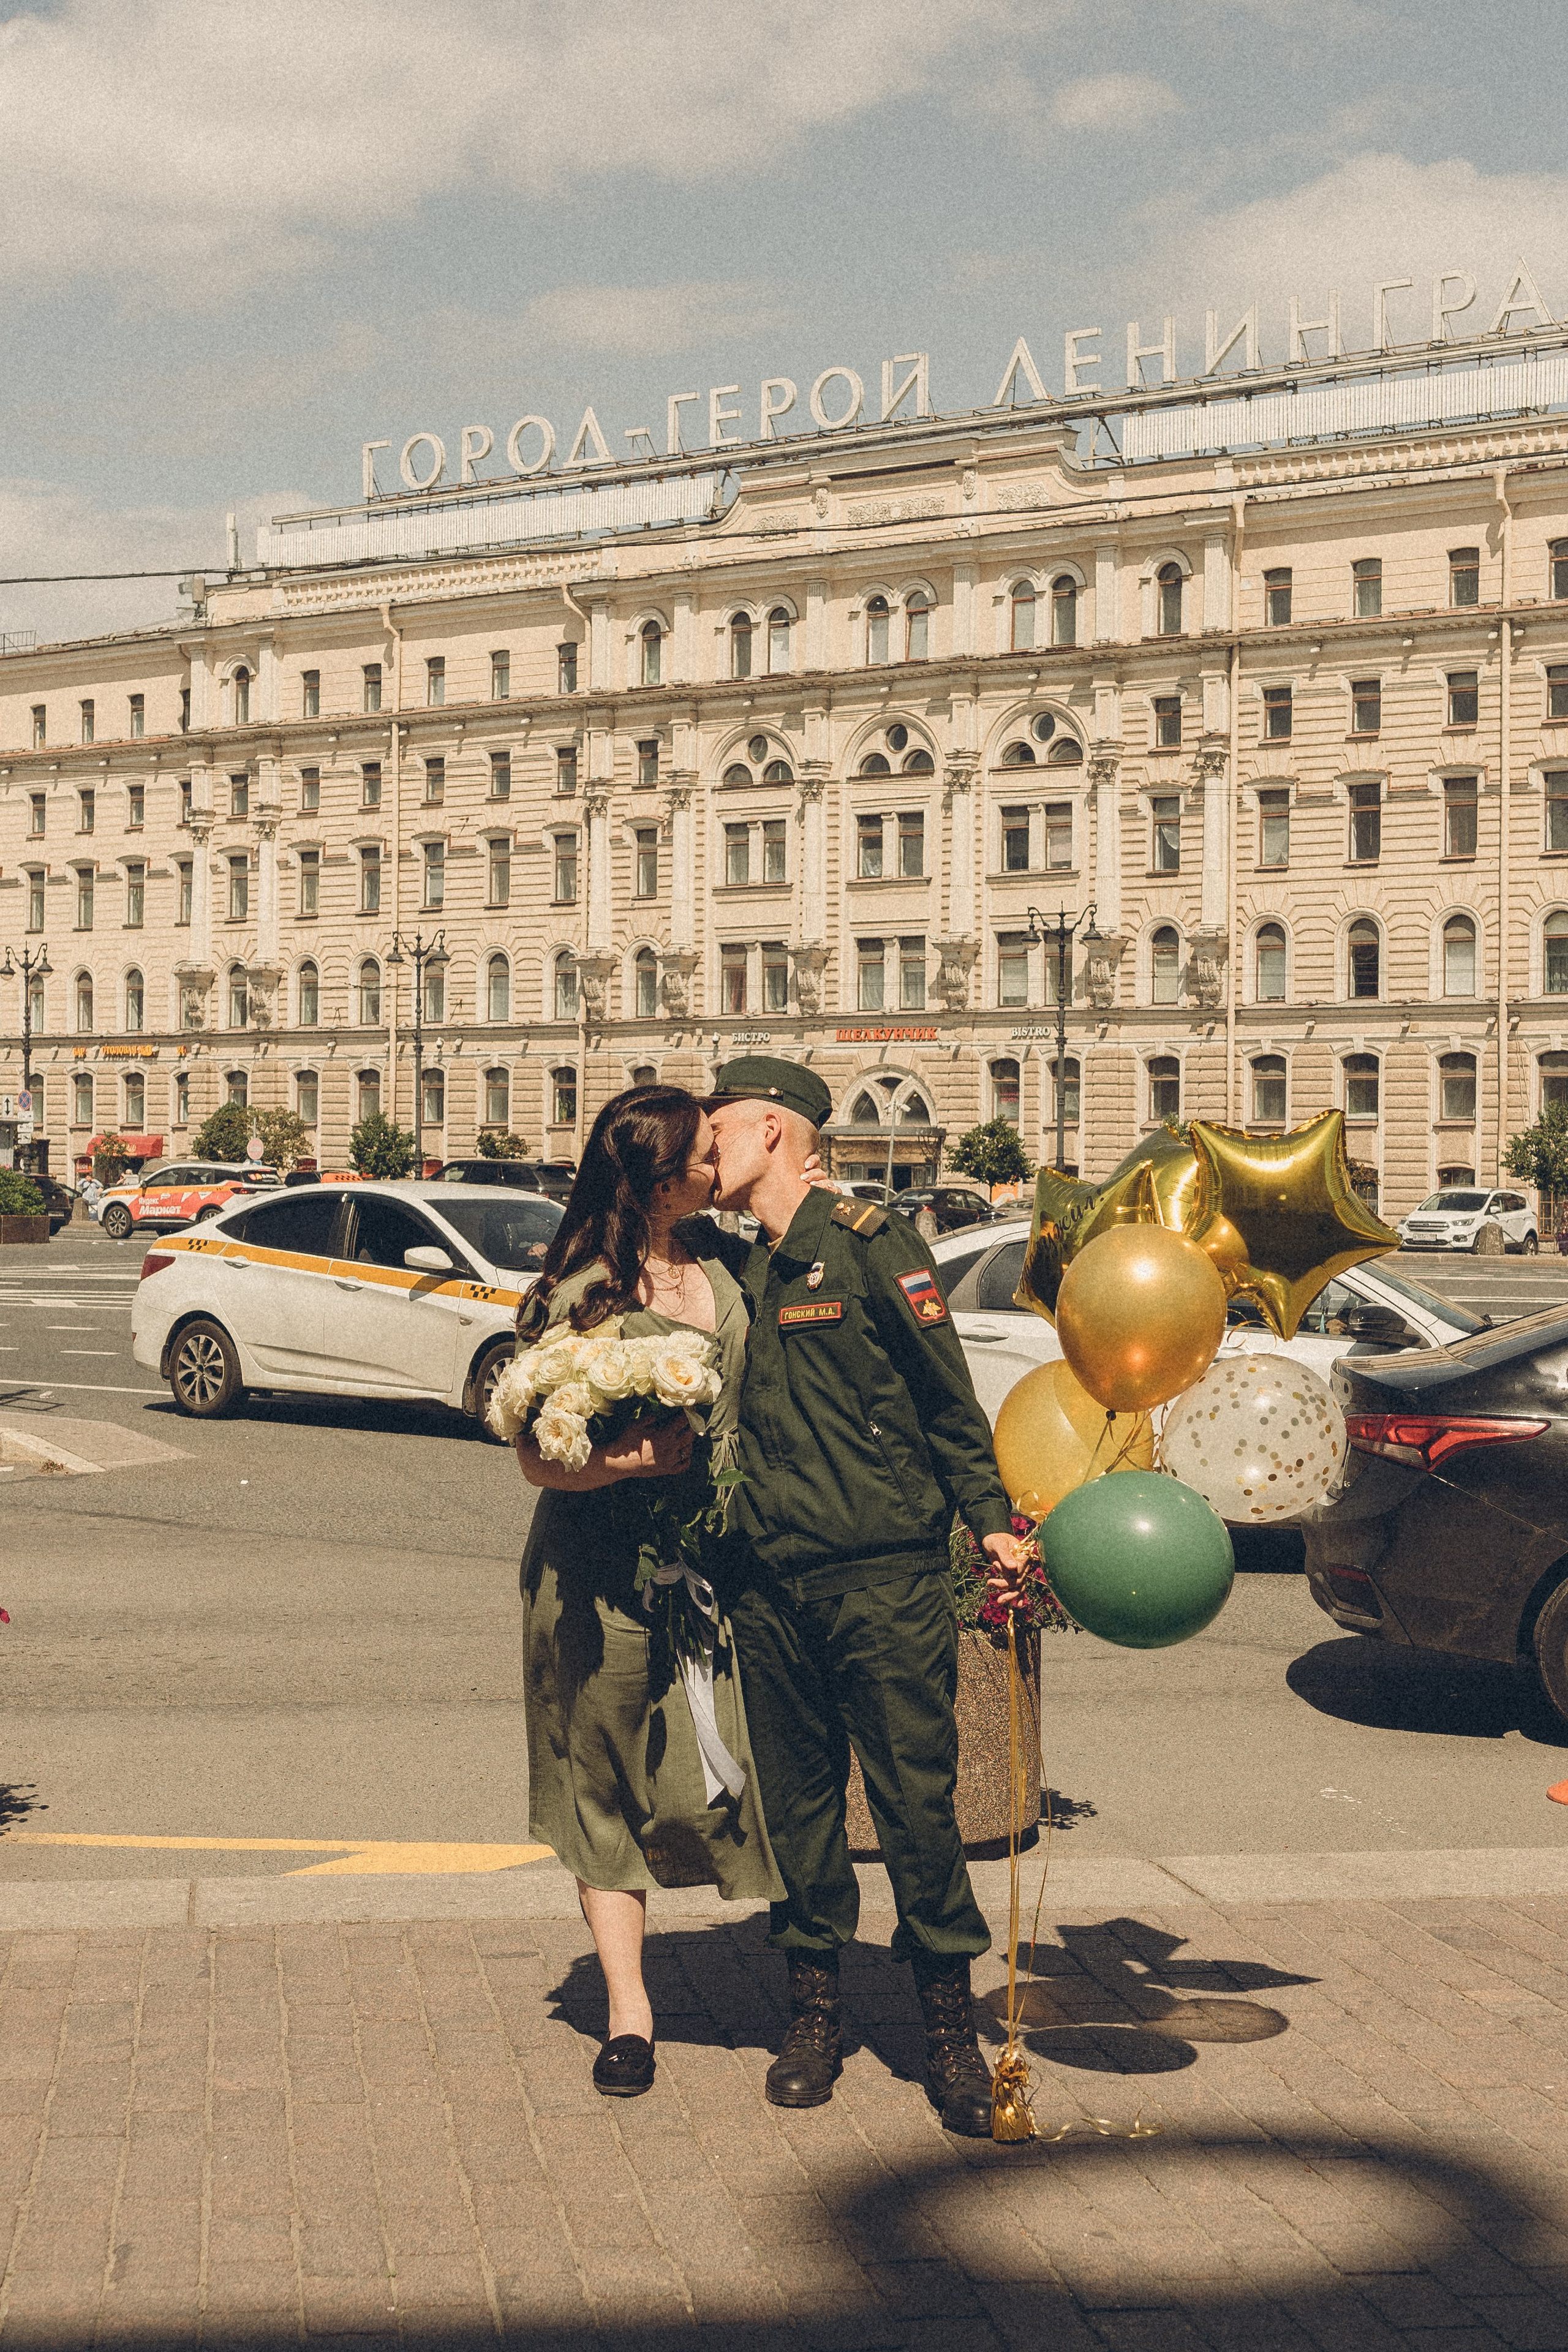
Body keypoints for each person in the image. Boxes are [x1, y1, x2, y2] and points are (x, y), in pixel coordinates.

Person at [706, 1057, 1026, 2138]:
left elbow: (948, 1401)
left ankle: (947, 2029)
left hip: (881, 1574)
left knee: (915, 1807)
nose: (710, 1154)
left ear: (778, 1134)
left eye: (722, 1133)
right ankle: (814, 2017)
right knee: (797, 1813)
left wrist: (989, 1522)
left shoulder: (869, 1241)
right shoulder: (728, 1269)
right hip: (767, 1580)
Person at [513, 1085, 779, 2100]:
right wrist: (625, 1461)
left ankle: (800, 1969)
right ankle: (630, 2010)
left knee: (730, 1769)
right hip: (599, 1575)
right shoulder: (579, 1287)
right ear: (660, 1180)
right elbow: (536, 1456)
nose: (721, 1166)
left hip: (716, 1564)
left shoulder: (719, 1263)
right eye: (706, 1155)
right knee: (602, 1779)